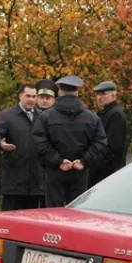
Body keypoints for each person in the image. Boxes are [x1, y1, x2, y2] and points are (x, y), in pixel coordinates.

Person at [32, 75, 108, 207]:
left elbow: (39, 142)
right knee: (77, 212)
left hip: (54, 172)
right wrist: (84, 160)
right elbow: (100, 143)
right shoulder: (91, 118)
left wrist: (58, 160)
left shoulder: (46, 117)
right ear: (77, 93)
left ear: (59, 92)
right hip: (80, 173)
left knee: (54, 214)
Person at [0, 84, 43, 211]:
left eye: (34, 96)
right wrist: (1, 145)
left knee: (31, 221)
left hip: (35, 182)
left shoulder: (41, 117)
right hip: (14, 179)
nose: (31, 99)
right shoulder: (8, 116)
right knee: (9, 220)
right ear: (20, 96)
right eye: (28, 96)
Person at [89, 81, 127, 187]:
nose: (99, 97)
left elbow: (112, 146)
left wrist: (96, 165)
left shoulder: (115, 114)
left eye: (103, 94)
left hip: (108, 172)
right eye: (97, 94)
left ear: (114, 95)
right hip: (103, 170)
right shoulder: (106, 113)